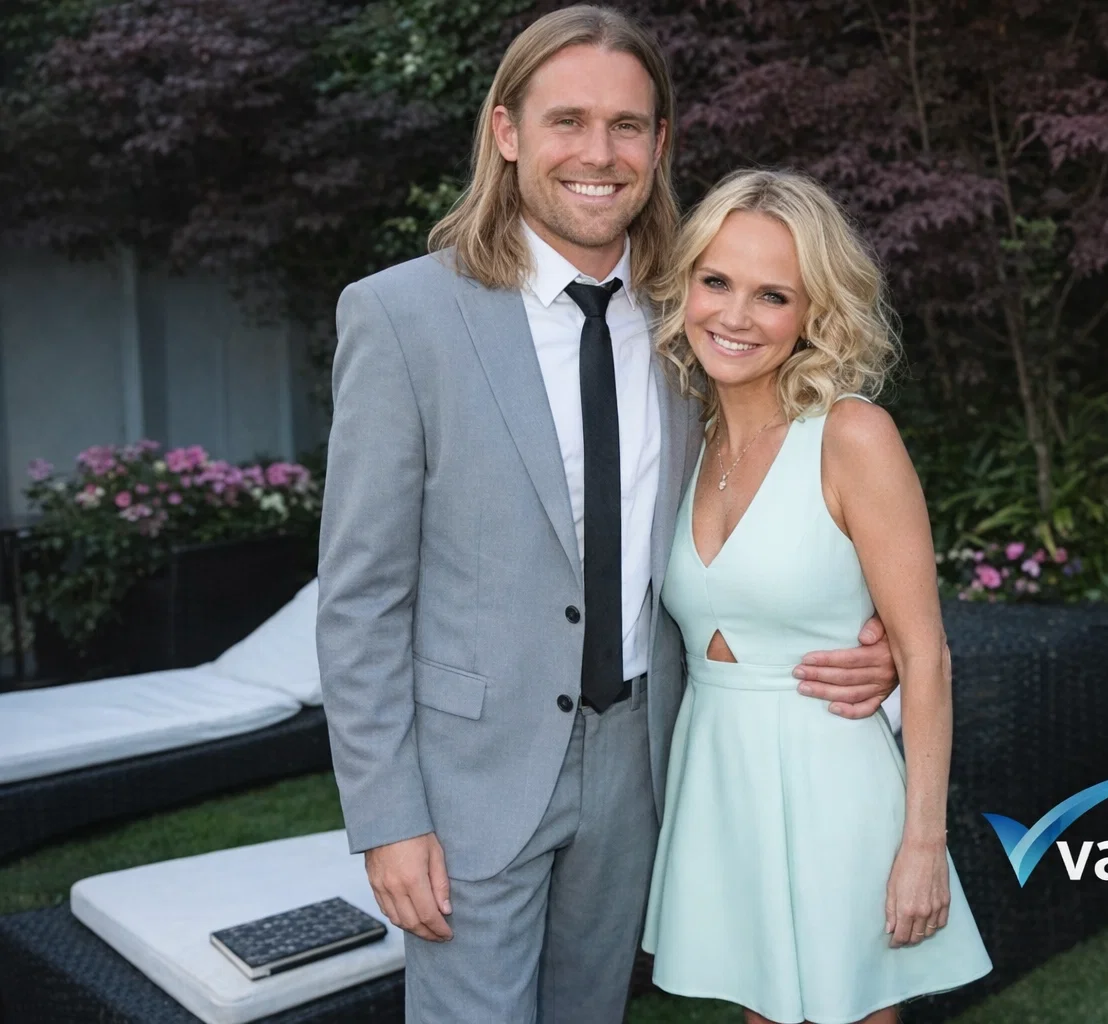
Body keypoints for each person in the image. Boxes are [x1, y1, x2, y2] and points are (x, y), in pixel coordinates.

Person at [315, 8, 901, 1023]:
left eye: (627, 125)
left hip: (644, 757)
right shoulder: (401, 317)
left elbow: (787, 490)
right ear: (507, 131)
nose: (599, 153)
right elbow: (359, 596)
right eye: (568, 121)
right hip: (470, 776)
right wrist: (386, 814)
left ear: (660, 143)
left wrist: (874, 636)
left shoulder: (698, 319)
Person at [640, 170, 992, 1024]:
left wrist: (923, 844)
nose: (735, 315)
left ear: (813, 313)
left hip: (834, 782)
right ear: (685, 285)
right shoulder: (687, 434)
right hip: (719, 777)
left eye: (773, 295)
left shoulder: (851, 435)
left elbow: (924, 656)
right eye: (716, 281)